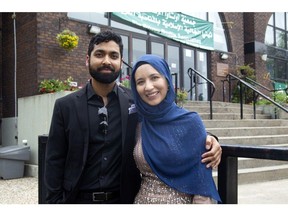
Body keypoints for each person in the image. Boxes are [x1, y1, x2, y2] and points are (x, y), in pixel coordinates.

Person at [44, 30, 222, 204]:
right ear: (87, 59)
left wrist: (209, 139)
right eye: (99, 54)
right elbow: (54, 161)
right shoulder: (65, 106)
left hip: (123, 200)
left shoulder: (135, 103)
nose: (106, 61)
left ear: (121, 63)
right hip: (78, 201)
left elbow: (169, 123)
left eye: (113, 56)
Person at [130, 54, 221, 204]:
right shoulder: (140, 123)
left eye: (154, 77)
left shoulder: (190, 121)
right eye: (140, 82)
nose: (148, 86)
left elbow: (202, 187)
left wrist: (211, 138)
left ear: (167, 80)